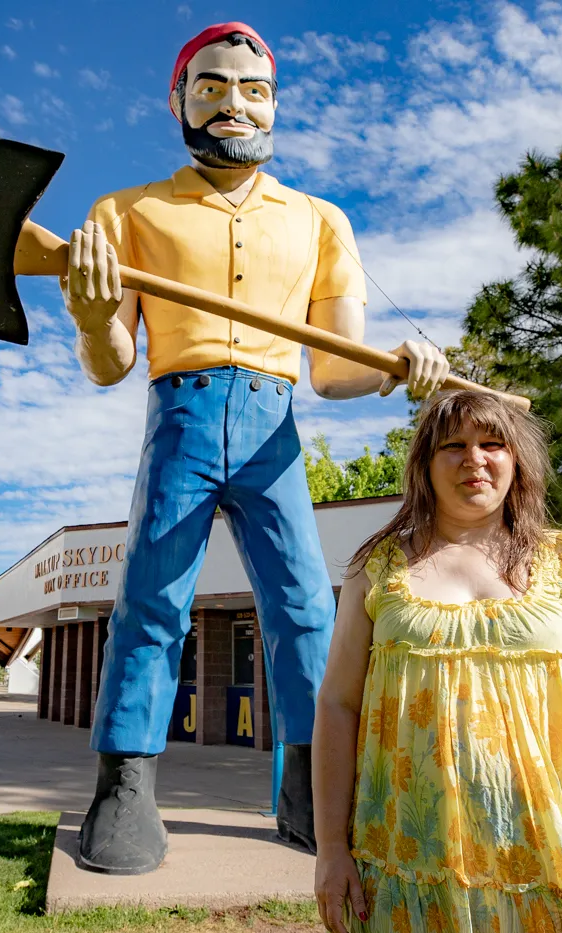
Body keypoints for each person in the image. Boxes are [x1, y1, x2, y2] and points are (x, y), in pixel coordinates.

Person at [64, 21, 450, 875]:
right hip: (183, 418)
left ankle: (313, 792)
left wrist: (395, 369)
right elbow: (111, 363)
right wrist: (95, 317)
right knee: (151, 599)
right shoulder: (124, 213)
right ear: (177, 100)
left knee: (307, 607)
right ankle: (124, 785)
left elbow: (332, 367)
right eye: (211, 86)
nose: (233, 103)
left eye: (253, 89)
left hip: (275, 428)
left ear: (274, 103)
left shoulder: (319, 220)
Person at [312, 391, 562, 932]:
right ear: (425, 467)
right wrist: (331, 847)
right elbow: (338, 705)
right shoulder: (378, 569)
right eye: (453, 445)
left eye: (493, 443)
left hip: (554, 850)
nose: (474, 459)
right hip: (413, 855)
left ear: (516, 460)